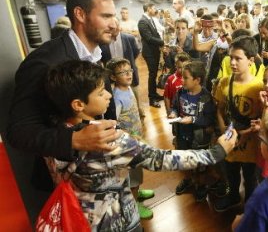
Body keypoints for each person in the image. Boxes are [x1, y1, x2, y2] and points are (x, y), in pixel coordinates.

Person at [43, 60, 237, 231]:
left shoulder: (51, 136)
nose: (109, 96)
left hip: (81, 218)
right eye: (101, 92)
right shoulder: (109, 141)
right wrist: (216, 152)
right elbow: (162, 159)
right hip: (117, 221)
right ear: (78, 104)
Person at [6, 0, 120, 193]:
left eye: (114, 16)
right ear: (80, 14)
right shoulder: (44, 62)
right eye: (106, 16)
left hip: (102, 171)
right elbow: (19, 131)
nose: (115, 24)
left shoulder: (99, 51)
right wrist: (74, 139)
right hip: (70, 185)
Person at [214, 36, 264, 212]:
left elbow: (262, 117)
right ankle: (233, 195)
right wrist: (222, 129)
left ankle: (250, 207)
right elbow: (220, 108)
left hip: (250, 143)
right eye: (231, 57)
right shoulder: (224, 82)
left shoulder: (259, 87)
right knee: (231, 172)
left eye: (238, 58)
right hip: (229, 138)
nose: (232, 62)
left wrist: (246, 134)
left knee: (250, 178)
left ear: (250, 61)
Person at [105, 57, 154, 219]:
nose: (128, 74)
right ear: (113, 77)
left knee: (137, 169)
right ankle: (134, 205)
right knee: (131, 174)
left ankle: (137, 193)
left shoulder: (129, 88)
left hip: (136, 139)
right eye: (123, 72)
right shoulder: (116, 97)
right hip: (127, 144)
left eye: (129, 71)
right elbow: (114, 121)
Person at [168, 61, 217, 201]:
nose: (181, 80)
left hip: (199, 139)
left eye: (185, 78)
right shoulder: (180, 92)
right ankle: (188, 180)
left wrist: (193, 120)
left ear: (197, 80)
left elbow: (209, 120)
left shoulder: (206, 97)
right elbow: (175, 106)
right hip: (183, 135)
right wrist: (173, 112)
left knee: (200, 164)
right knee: (185, 161)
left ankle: (201, 185)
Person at [100, 18, 145, 118]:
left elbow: (136, 53)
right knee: (116, 98)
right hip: (112, 75)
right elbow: (102, 57)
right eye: (110, 27)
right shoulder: (103, 41)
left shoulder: (129, 38)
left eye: (115, 26)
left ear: (119, 26)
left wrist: (126, 67)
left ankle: (139, 113)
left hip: (129, 72)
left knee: (134, 95)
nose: (112, 29)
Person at [138, 3, 165, 108]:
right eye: (154, 8)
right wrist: (162, 42)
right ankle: (151, 99)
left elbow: (156, 34)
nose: (155, 10)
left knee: (154, 74)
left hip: (154, 51)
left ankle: (154, 94)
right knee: (152, 74)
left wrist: (161, 43)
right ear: (148, 9)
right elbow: (148, 38)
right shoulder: (142, 21)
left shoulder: (150, 19)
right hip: (149, 52)